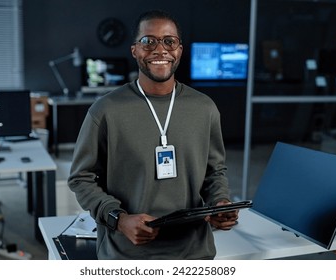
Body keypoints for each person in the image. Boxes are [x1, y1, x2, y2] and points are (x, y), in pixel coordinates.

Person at [68, 9, 238, 260]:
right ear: (134, 50)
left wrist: (221, 203)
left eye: (170, 41)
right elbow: (81, 178)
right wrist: (119, 219)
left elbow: (215, 172)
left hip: (193, 252)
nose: (160, 50)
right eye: (149, 41)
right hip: (127, 253)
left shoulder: (204, 108)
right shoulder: (105, 110)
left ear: (180, 50)